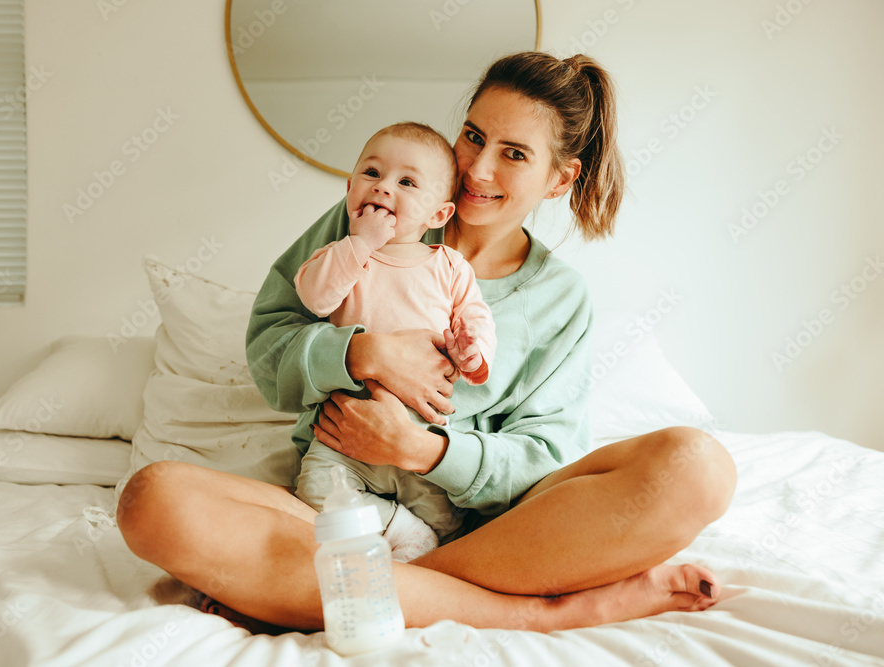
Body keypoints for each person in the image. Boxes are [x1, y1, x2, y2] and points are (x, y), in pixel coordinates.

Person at [117, 51, 738, 633]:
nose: (477, 168)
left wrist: (423, 450)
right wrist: (360, 352)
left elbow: (543, 455)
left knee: (699, 469)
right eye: (473, 136)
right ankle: (521, 610)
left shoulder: (560, 297)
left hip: (488, 535)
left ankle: (349, 590)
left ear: (559, 179)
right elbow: (269, 341)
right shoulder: (378, 213)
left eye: (514, 153)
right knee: (153, 501)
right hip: (341, 499)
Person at [293, 121, 497, 563]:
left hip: (420, 433)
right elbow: (315, 296)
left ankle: (417, 556)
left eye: (406, 182)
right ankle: (397, 528)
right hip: (343, 433)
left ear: (438, 216)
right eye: (371, 173)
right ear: (350, 190)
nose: (383, 187)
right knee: (314, 492)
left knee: (449, 524)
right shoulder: (343, 256)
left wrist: (470, 351)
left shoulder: (450, 267)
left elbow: (476, 320)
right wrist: (360, 242)